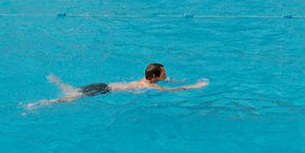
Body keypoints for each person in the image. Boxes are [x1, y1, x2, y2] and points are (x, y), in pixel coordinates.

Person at [26, 62, 208, 109]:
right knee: (71, 98)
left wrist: (181, 80)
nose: (166, 75)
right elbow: (173, 90)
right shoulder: (152, 87)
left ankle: (57, 82)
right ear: (154, 77)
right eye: (164, 73)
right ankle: (45, 103)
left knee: (75, 91)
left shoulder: (146, 80)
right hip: (104, 90)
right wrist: (195, 86)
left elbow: (170, 82)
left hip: (104, 84)